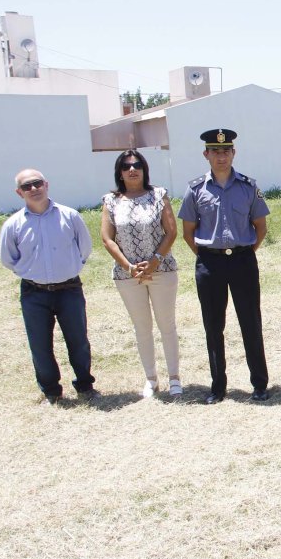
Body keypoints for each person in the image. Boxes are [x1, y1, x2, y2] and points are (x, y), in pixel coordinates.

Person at [178, 129, 270, 404]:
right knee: (213, 326)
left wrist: (242, 252)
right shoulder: (195, 189)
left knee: (251, 323)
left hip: (243, 260)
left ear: (234, 153)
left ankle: (260, 385)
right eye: (215, 151)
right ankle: (218, 386)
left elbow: (261, 227)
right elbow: (188, 232)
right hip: (210, 263)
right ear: (206, 154)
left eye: (226, 151)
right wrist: (211, 254)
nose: (221, 156)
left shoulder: (248, 187)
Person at [0, 169, 99, 404]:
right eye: (27, 186)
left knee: (79, 340)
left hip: (69, 289)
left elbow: (84, 248)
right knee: (40, 345)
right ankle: (52, 392)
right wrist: (30, 272)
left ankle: (85, 385)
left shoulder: (70, 216)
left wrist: (70, 267)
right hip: (34, 292)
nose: (33, 189)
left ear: (46, 184)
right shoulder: (13, 224)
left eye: (37, 183)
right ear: (19, 192)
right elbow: (7, 258)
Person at [101, 150, 182, 398]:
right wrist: (128, 266)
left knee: (166, 324)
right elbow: (107, 239)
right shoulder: (111, 201)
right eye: (126, 166)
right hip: (129, 276)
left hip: (162, 271)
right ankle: (151, 379)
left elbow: (171, 231)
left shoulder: (158, 195)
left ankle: (175, 378)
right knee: (142, 327)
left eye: (137, 165)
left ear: (144, 168)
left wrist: (155, 261)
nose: (132, 170)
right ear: (120, 172)